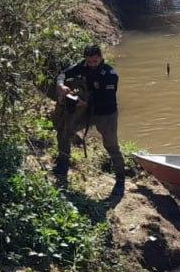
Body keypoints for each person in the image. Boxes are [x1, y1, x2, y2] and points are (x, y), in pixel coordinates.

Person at [54, 44, 126, 196]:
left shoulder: (110, 74)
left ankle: (120, 180)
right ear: (85, 59)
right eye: (90, 61)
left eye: (95, 61)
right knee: (65, 131)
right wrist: (61, 85)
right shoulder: (82, 66)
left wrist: (84, 102)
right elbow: (63, 74)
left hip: (106, 113)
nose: (92, 64)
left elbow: (106, 99)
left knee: (111, 145)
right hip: (87, 111)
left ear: (101, 58)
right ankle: (63, 163)